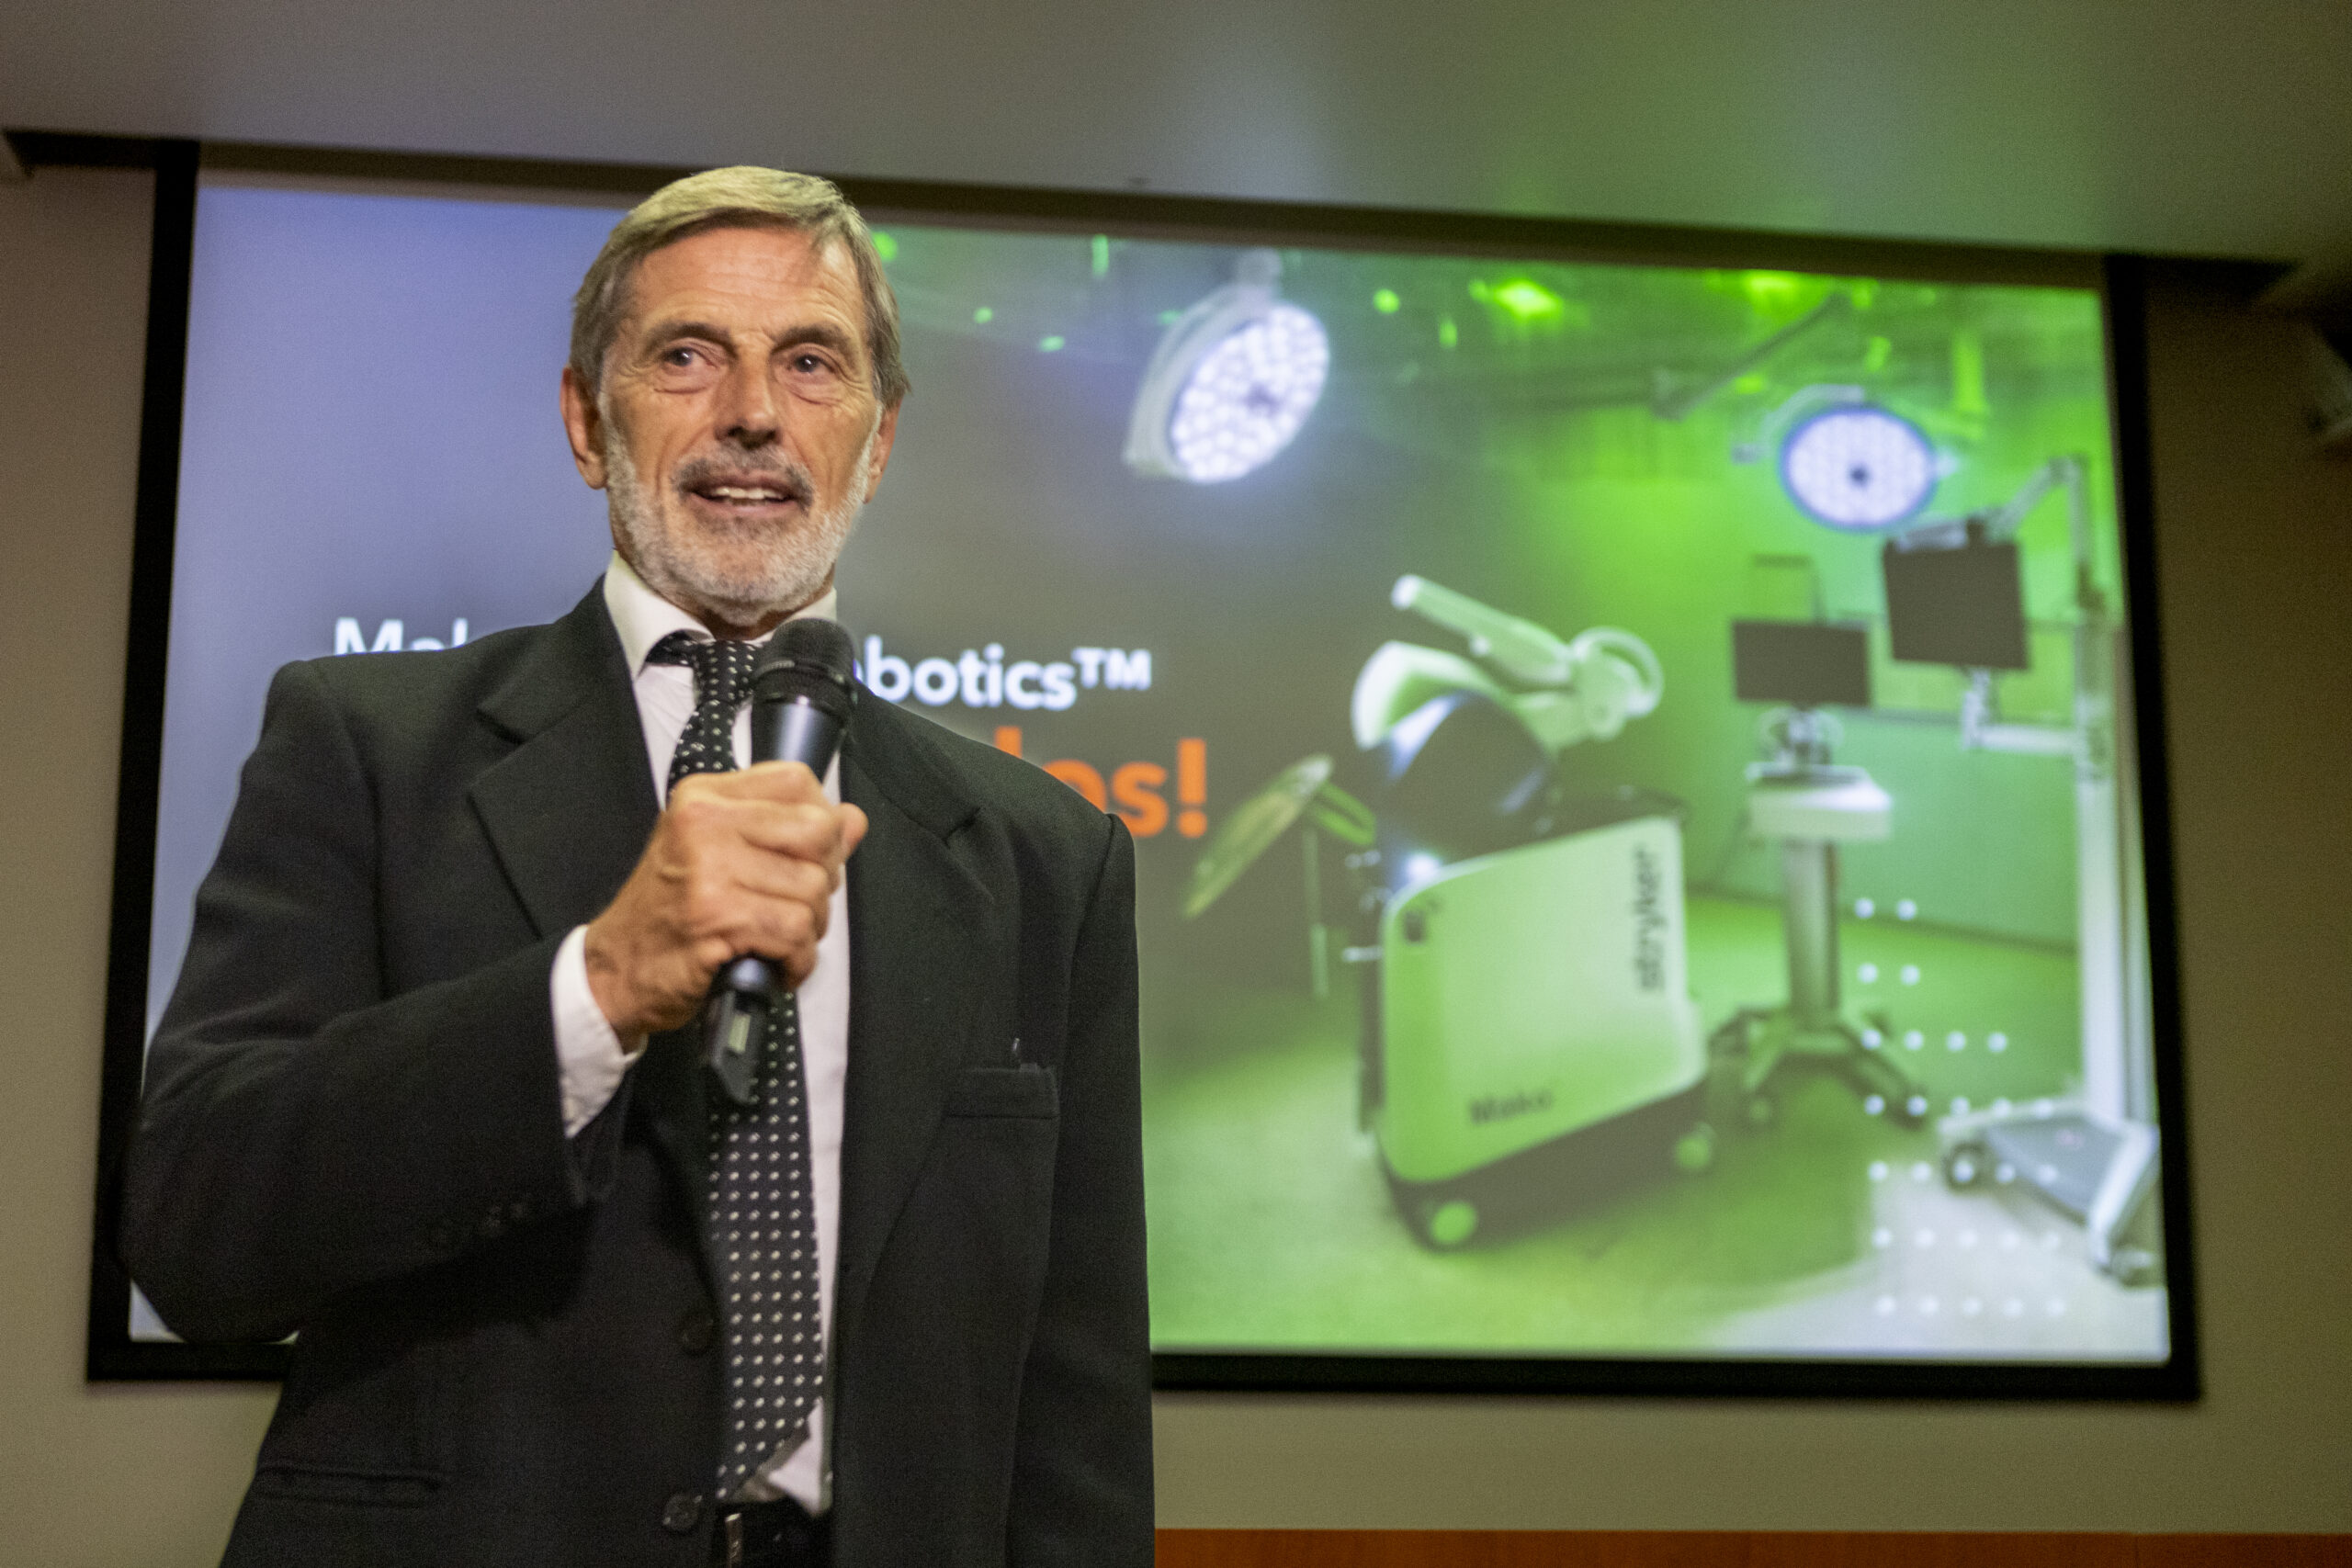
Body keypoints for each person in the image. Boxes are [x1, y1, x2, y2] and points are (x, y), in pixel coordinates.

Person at [122, 167, 1153, 1568]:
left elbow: (1078, 1396)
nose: (753, 412)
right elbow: (197, 1232)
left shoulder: (1047, 852)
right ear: (585, 422)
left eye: (812, 362)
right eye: (686, 357)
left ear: (878, 439)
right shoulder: (364, 746)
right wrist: (593, 989)